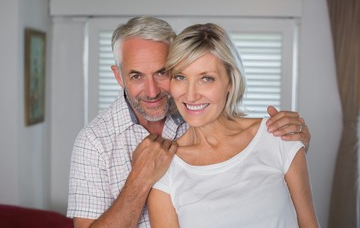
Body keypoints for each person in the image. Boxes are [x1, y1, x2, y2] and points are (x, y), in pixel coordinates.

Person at [67, 16, 312, 228]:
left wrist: (293, 146)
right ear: (118, 76)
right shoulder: (94, 142)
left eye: (162, 73)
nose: (152, 91)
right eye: (136, 76)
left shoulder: (198, 109)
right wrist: (140, 178)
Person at [148, 23, 318, 227]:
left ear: (230, 81)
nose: (191, 95)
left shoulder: (277, 135)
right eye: (180, 77)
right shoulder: (165, 167)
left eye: (206, 78)